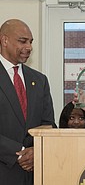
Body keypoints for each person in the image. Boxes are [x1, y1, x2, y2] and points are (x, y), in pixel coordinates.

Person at [0, 19, 56, 185]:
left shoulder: (39, 80)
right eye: (22, 41)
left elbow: (49, 125)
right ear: (4, 40)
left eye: (31, 42)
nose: (29, 47)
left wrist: (36, 151)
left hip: (35, 174)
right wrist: (22, 153)